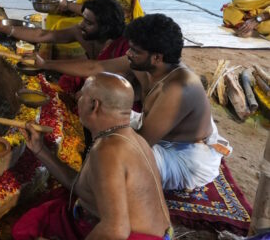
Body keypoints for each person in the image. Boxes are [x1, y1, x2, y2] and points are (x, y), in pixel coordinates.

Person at [0, 73, 189, 240]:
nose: (77, 96)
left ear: (94, 105)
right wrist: (41, 151)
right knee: (54, 209)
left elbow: (116, 231)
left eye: (82, 93)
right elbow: (81, 186)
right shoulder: (129, 138)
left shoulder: (108, 151)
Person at [34, 14, 232, 191]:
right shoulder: (144, 63)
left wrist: (102, 142)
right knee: (95, 99)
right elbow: (97, 67)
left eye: (135, 51)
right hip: (152, 127)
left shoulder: (178, 88)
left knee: (114, 163)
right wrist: (46, 65)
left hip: (185, 154)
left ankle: (85, 184)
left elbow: (140, 145)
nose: (128, 54)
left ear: (157, 57)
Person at [0, 0, 129, 95]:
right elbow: (43, 35)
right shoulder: (81, 32)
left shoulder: (126, 47)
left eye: (88, 23)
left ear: (105, 28)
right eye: (83, 18)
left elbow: (93, 67)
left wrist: (45, 64)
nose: (81, 24)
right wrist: (6, 29)